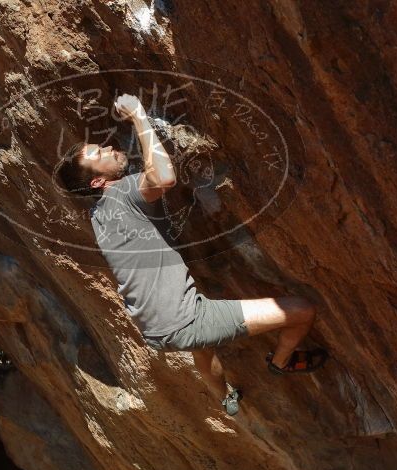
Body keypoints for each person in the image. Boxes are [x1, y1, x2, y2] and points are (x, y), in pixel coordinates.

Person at [54, 94, 327, 416]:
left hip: (155, 329)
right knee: (302, 310)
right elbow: (164, 178)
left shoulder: (101, 214)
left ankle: (226, 399)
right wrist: (139, 116)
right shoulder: (122, 192)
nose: (111, 148)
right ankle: (281, 363)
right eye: (100, 153)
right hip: (186, 321)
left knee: (201, 349)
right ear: (99, 181)